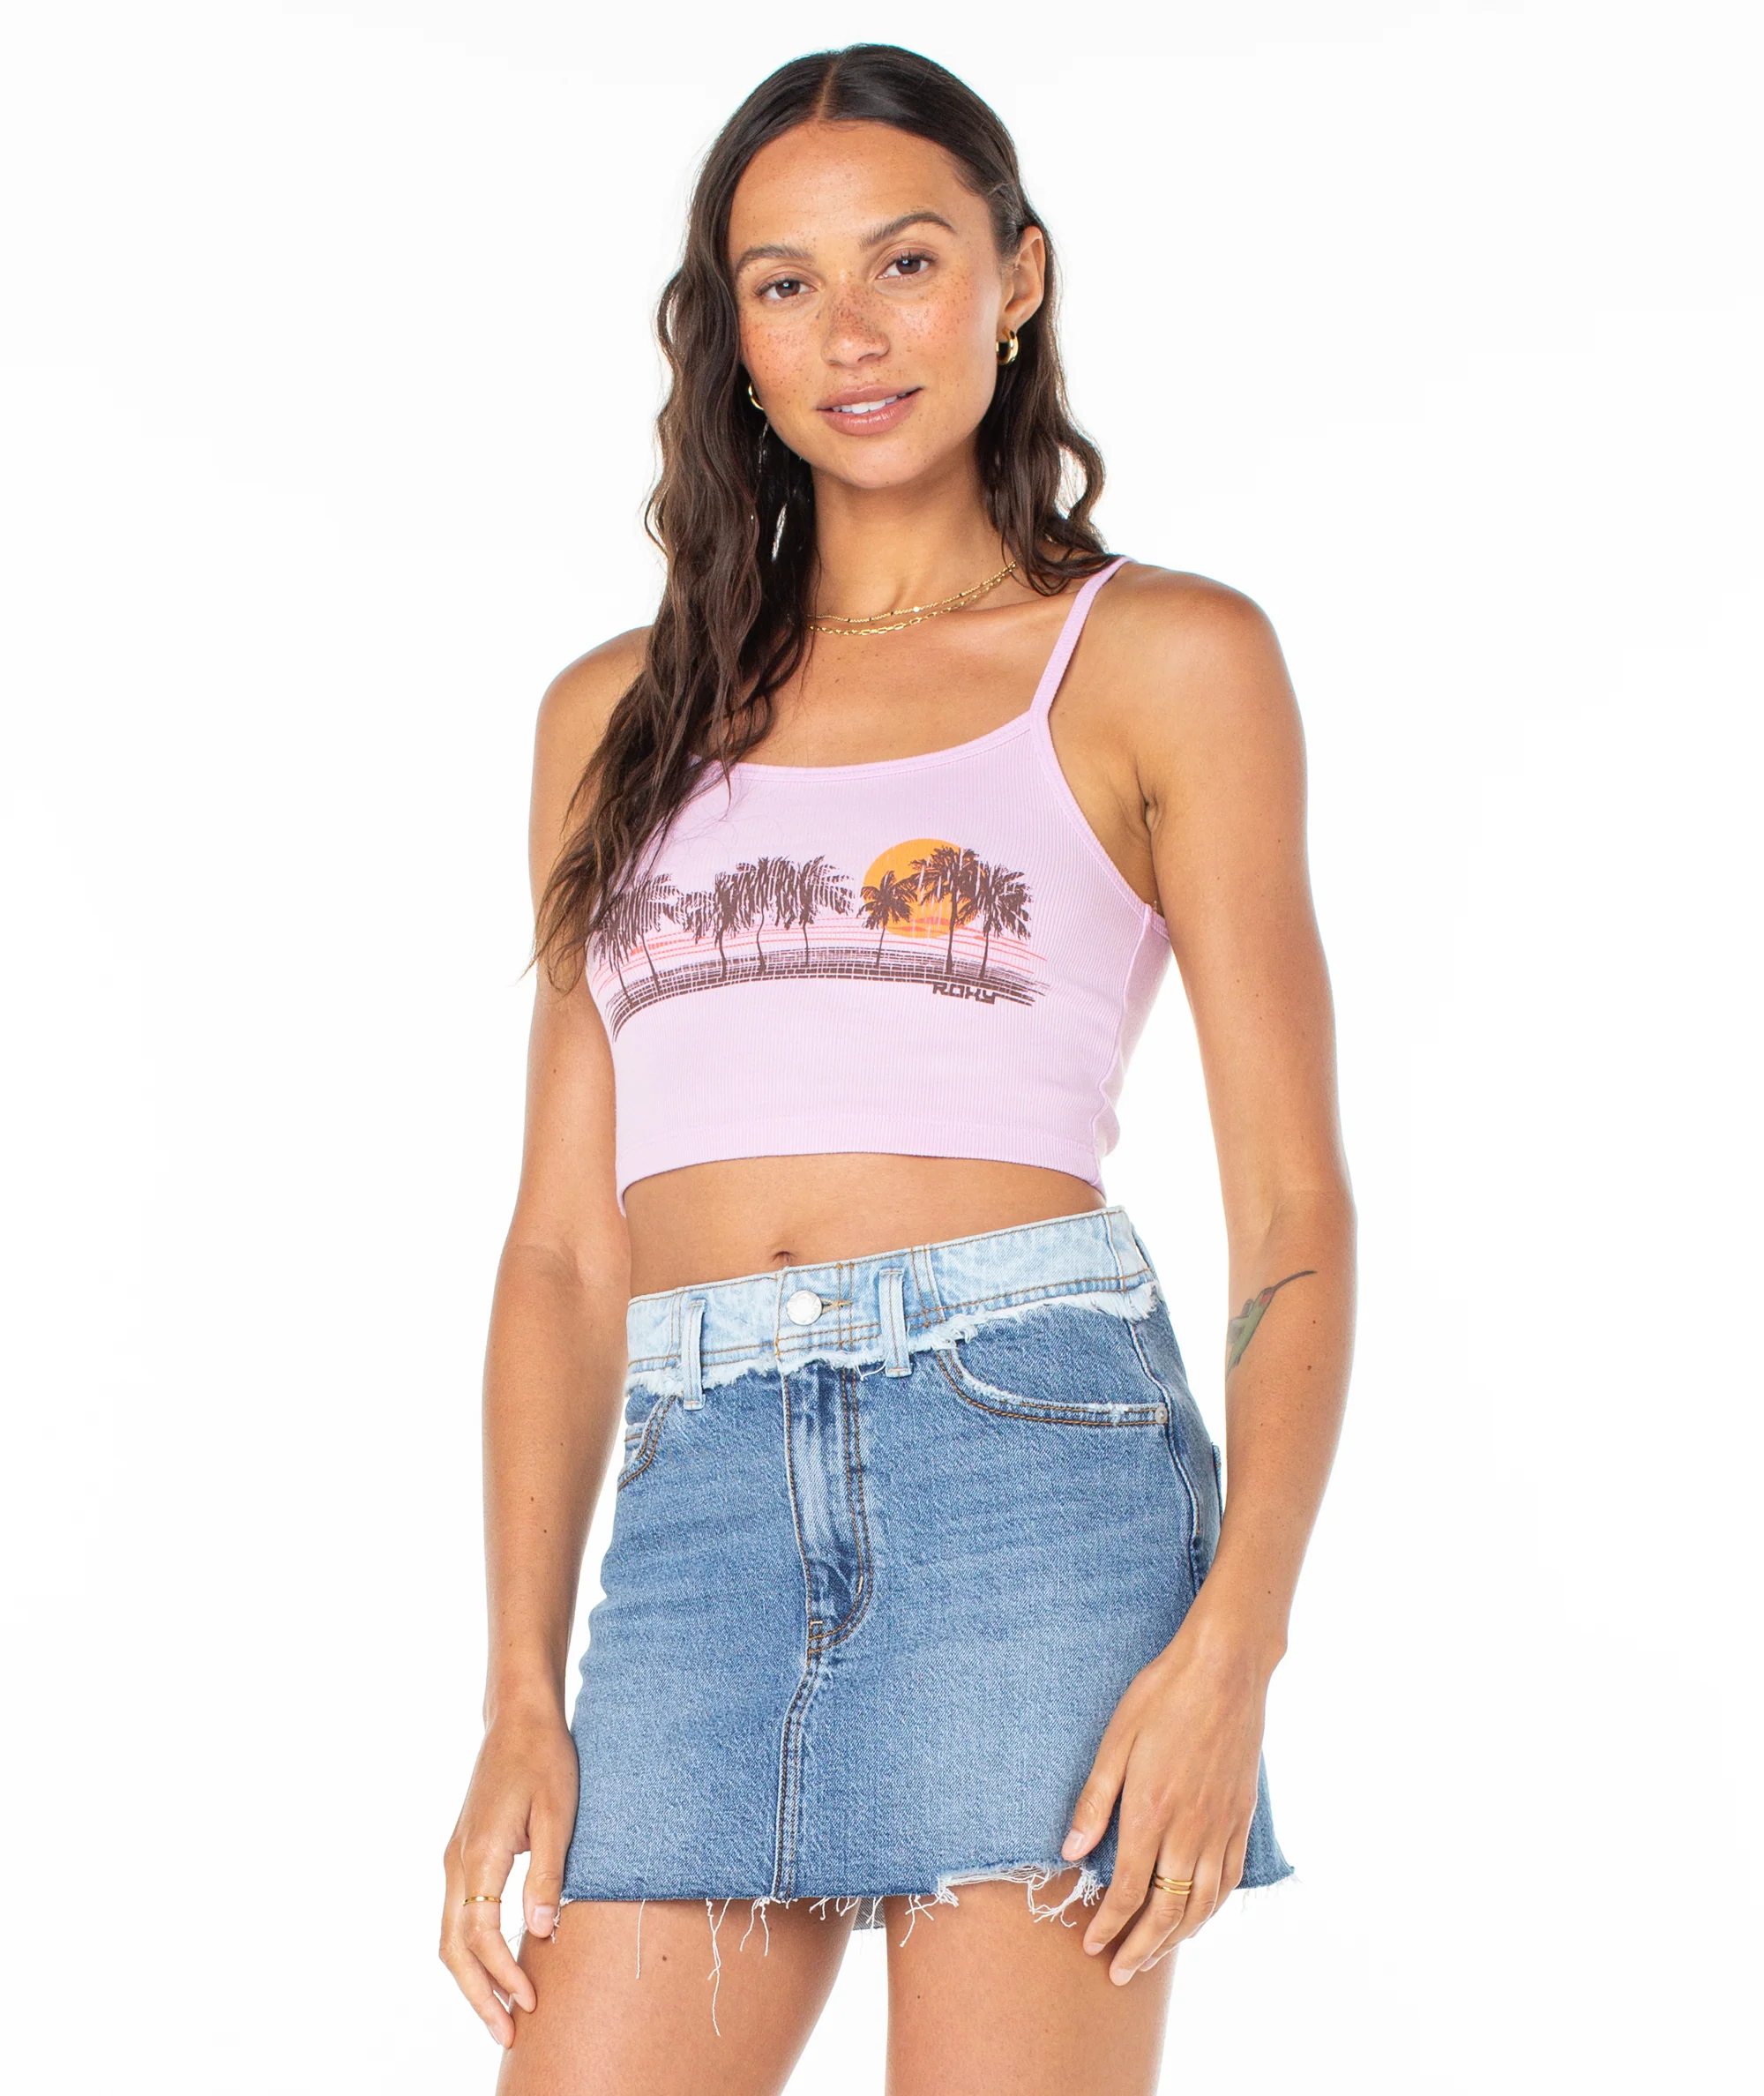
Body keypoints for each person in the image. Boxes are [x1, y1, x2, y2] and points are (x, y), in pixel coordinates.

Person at [439, 42, 1355, 2096]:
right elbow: (564, 1252)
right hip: (692, 1514)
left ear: (1017, 278)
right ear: (729, 330)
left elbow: (1295, 1204)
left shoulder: (1161, 659)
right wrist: (517, 1689)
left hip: (1026, 1469)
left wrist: (1234, 1646)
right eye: (785, 283)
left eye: (907, 261)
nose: (850, 333)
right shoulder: (613, 716)